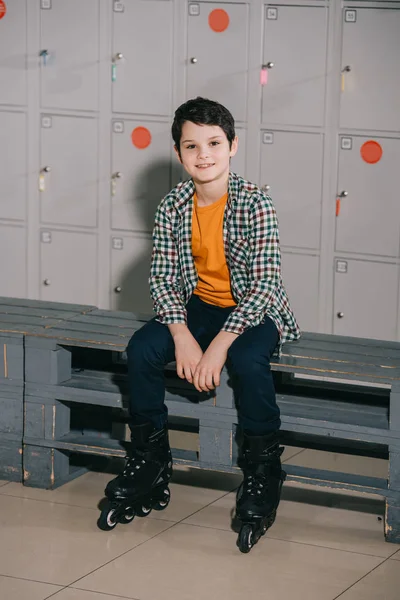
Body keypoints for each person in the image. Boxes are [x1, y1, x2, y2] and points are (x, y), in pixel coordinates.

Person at [102, 97, 300, 550]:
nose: (203, 154)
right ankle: (151, 459)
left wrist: (219, 346)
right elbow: (164, 279)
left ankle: (263, 470)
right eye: (192, 146)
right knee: (141, 348)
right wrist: (183, 336)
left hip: (255, 308)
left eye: (214, 143)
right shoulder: (173, 206)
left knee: (250, 361)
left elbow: (267, 283)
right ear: (179, 154)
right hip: (200, 306)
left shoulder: (255, 202)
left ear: (233, 146)